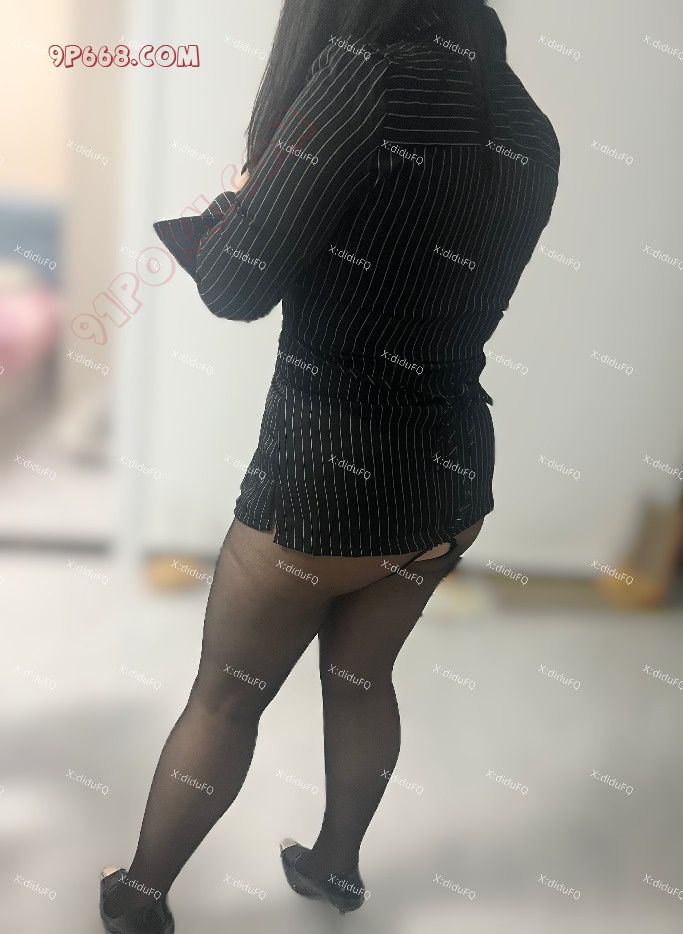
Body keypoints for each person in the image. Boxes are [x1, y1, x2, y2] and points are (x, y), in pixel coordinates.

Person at [100, 0, 559, 929]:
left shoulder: (360, 79)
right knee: (363, 681)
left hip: (325, 479)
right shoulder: (524, 116)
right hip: (450, 478)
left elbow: (235, 286)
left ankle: (140, 897)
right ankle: (337, 870)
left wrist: (237, 197)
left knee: (224, 701)